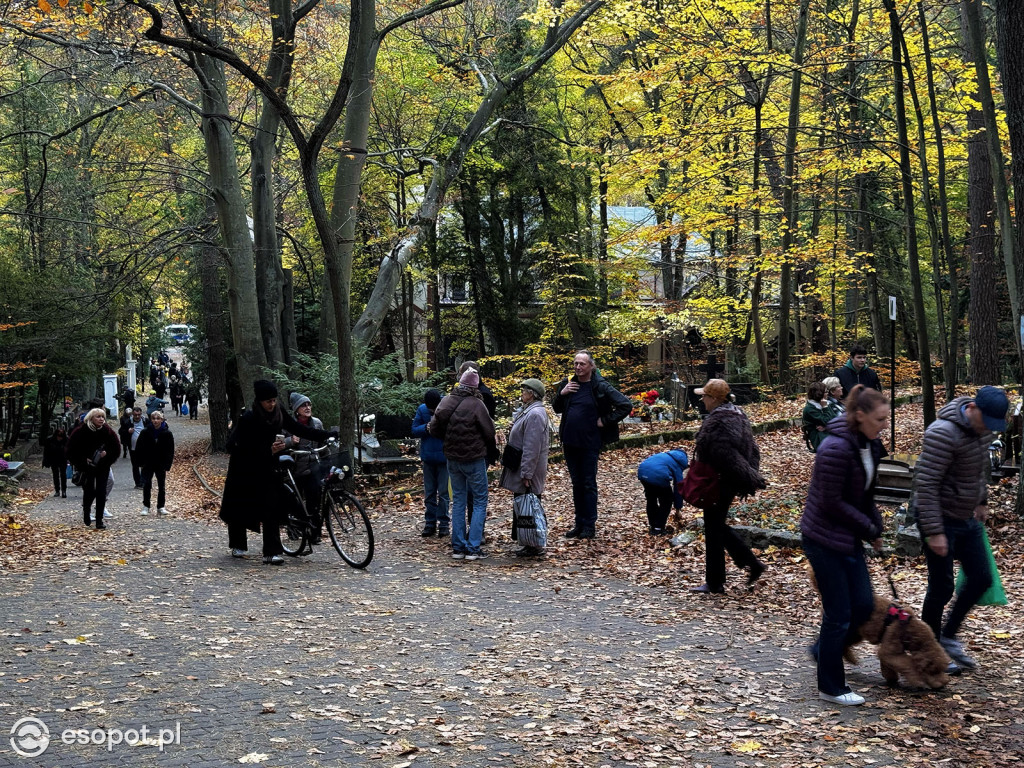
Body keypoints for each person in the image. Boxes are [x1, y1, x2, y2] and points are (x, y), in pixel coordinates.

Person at [800, 385, 888, 706]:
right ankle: (831, 686)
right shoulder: (834, 449)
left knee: (863, 605)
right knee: (838, 614)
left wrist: (876, 526)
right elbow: (832, 502)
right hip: (822, 539)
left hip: (847, 538)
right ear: (859, 415)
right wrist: (867, 528)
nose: (884, 424)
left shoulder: (869, 445)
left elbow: (864, 495)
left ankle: (824, 650)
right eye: (880, 418)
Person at [916, 385, 1009, 674]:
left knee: (981, 577)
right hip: (938, 518)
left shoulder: (982, 432)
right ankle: (928, 649)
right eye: (987, 422)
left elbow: (979, 468)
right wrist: (935, 531)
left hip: (965, 518)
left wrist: (981, 500)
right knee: (941, 586)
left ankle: (948, 635)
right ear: (974, 409)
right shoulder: (942, 433)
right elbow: (926, 484)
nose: (989, 430)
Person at [219, 380, 335, 565]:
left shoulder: (279, 413)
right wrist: (267, 450)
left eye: (274, 400)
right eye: (268, 401)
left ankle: (271, 552)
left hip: (268, 466)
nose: (272, 404)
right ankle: (238, 544)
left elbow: (298, 428)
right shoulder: (249, 419)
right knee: (239, 505)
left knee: (271, 504)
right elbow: (236, 447)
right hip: (244, 467)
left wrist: (325, 434)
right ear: (259, 401)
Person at [690, 379, 766, 593]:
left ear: (714, 398)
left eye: (704, 396)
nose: (702, 399)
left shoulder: (720, 420)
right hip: (730, 478)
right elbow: (752, 447)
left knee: (714, 525)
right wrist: (749, 472)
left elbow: (725, 455)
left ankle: (743, 568)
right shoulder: (737, 413)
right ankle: (720, 579)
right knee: (715, 525)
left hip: (720, 479)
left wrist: (746, 474)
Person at [552, 350, 633, 539]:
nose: (578, 367)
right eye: (575, 364)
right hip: (570, 441)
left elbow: (625, 405)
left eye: (582, 364)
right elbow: (556, 408)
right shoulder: (568, 384)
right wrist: (562, 394)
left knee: (588, 483)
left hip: (589, 442)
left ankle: (589, 525)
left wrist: (605, 421)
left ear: (591, 366)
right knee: (576, 483)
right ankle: (579, 523)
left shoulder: (600, 386)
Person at [429, 369, 495, 561]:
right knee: (480, 501)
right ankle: (473, 548)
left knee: (458, 501)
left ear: (460, 383)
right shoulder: (477, 404)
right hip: (474, 459)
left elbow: (434, 428)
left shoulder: (446, 401)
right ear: (475, 386)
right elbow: (489, 432)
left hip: (452, 459)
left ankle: (458, 547)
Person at [500, 379, 551, 557]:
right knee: (524, 504)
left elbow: (532, 446)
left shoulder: (535, 414)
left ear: (532, 394)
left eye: (524, 391)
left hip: (529, 468)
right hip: (524, 466)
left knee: (530, 504)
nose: (522, 394)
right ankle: (528, 541)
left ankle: (534, 543)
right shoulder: (530, 411)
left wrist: (527, 473)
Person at [66, 408, 120, 530]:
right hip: (87, 467)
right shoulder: (81, 431)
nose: (101, 419)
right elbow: (71, 450)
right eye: (98, 417)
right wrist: (83, 460)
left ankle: (99, 519)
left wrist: (107, 455)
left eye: (103, 417)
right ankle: (86, 512)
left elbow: (116, 448)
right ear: (91, 418)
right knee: (89, 491)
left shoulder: (107, 431)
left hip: (103, 466)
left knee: (101, 491)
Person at [283, 392, 327, 542]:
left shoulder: (317, 423)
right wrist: (290, 441)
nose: (307, 407)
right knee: (295, 502)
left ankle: (314, 534)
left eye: (309, 404)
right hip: (294, 470)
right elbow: (279, 443)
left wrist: (327, 463)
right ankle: (293, 530)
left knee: (314, 501)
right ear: (296, 410)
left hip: (313, 468)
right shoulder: (288, 425)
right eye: (303, 405)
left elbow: (323, 446)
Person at [411, 389, 450, 538]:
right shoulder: (422, 410)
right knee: (430, 493)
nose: (432, 411)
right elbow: (414, 429)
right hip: (428, 457)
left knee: (444, 493)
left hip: (444, 457)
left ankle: (444, 524)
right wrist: (426, 428)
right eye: (430, 409)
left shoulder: (447, 407)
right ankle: (430, 523)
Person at [636, 449, 688, 535]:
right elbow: (678, 487)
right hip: (658, 477)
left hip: (642, 473)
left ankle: (653, 526)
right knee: (666, 501)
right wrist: (678, 508)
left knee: (651, 499)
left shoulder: (664, 456)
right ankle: (658, 528)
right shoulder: (677, 464)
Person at [136, 410, 175, 516]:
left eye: (158, 419)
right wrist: (140, 462)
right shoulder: (145, 432)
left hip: (160, 463)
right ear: (150, 419)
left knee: (161, 485)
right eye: (153, 418)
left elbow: (170, 450)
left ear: (162, 420)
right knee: (147, 484)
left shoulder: (167, 433)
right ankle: (146, 506)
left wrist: (167, 464)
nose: (155, 421)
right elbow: (139, 447)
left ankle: (161, 506)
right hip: (148, 463)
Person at [802, 382, 838, 453]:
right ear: (820, 394)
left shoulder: (823, 403)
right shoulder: (810, 409)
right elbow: (827, 420)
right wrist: (825, 407)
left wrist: (827, 427)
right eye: (826, 392)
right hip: (819, 438)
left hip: (828, 433)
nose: (827, 394)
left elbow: (835, 419)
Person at [42, 425, 69, 498]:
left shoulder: (66, 440)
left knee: (63, 474)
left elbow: (69, 450)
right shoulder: (50, 440)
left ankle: (64, 490)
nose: (59, 438)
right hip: (53, 459)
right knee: (55, 475)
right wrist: (45, 461)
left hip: (63, 459)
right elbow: (46, 451)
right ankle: (57, 490)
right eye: (58, 436)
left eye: (61, 437)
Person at [126, 406, 147, 487]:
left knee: (144, 465)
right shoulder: (128, 422)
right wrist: (128, 431)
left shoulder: (145, 421)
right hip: (133, 448)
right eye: (135, 415)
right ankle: (137, 483)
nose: (137, 416)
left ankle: (143, 481)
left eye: (139, 414)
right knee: (135, 465)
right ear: (132, 415)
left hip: (144, 448)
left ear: (141, 414)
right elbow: (121, 431)